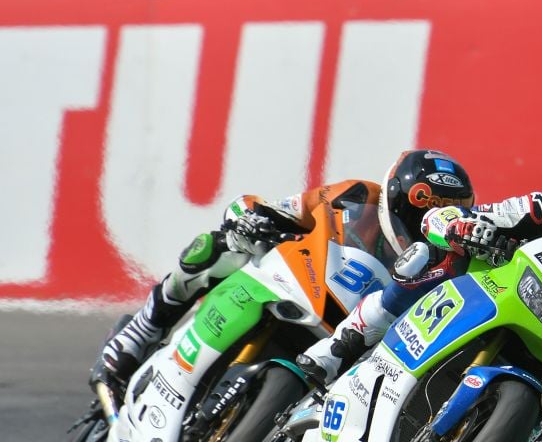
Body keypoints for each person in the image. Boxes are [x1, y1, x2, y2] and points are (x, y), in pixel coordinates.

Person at [91, 149, 476, 390]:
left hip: (352, 337)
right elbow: (271, 208)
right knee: (217, 248)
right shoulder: (353, 194)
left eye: (436, 215)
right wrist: (250, 217)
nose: (421, 224)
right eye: (417, 211)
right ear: (394, 198)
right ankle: (145, 327)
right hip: (303, 285)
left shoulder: (447, 261)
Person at [293, 147, 542, 385]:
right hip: (490, 298)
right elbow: (444, 219)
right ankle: (338, 349)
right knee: (429, 257)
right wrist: (465, 227)